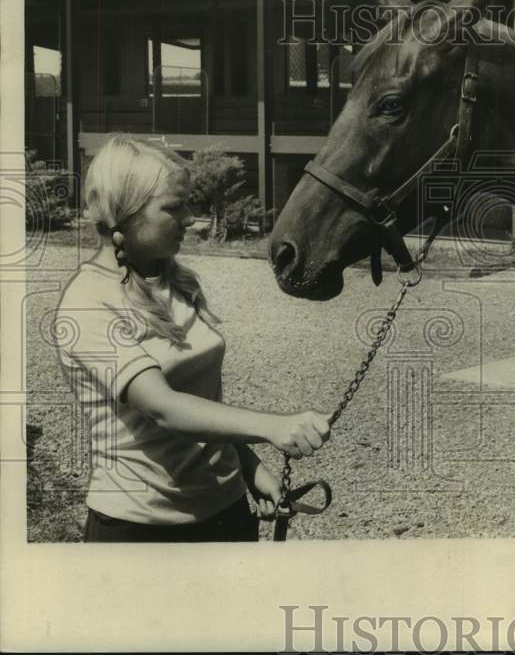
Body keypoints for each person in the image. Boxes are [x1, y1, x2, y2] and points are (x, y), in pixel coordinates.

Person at [56, 135, 333, 542]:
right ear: (123, 214)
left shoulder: (176, 280)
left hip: (227, 512)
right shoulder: (87, 303)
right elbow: (165, 407)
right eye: (173, 207)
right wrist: (275, 426)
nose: (189, 219)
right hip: (142, 530)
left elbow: (202, 401)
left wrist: (251, 469)